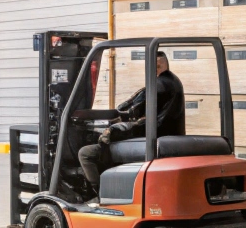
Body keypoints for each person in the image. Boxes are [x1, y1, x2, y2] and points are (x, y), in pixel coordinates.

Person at [77, 51, 184, 202]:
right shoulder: (173, 82)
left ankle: (100, 195)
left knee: (86, 153)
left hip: (152, 139)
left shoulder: (160, 85)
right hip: (161, 137)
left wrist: (115, 128)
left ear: (156, 65)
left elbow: (130, 109)